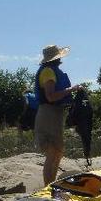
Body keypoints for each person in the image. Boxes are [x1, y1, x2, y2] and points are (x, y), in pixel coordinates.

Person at [34, 44, 80, 185]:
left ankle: (51, 184)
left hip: (54, 114)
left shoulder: (50, 70)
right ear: (56, 58)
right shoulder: (48, 72)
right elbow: (51, 96)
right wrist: (71, 90)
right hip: (49, 113)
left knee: (58, 152)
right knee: (53, 151)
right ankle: (48, 187)